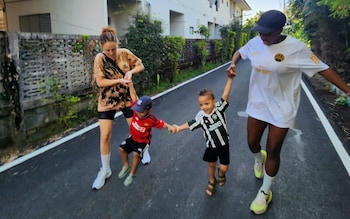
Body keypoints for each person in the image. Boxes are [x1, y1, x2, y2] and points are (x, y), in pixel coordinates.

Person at [226, 10, 350, 214]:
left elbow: (323, 68)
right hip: (257, 105)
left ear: (280, 30)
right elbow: (240, 52)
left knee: (274, 149)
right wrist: (232, 64)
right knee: (252, 143)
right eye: (260, 32)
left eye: (267, 33)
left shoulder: (296, 48)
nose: (262, 36)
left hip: (283, 108)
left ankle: (265, 192)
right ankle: (259, 159)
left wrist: (347, 90)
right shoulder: (257, 42)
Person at [92, 26, 145, 190]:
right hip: (107, 100)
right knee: (105, 136)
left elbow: (140, 65)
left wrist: (130, 73)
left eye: (113, 49)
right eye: (107, 50)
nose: (111, 53)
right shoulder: (99, 59)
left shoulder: (124, 53)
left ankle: (143, 150)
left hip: (127, 97)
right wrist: (119, 80)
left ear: (117, 44)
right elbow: (100, 82)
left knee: (135, 129)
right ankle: (105, 170)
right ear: (102, 48)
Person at [171, 73, 235, 196]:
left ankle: (221, 174)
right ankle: (212, 180)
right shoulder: (201, 118)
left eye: (207, 103)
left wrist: (230, 79)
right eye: (201, 105)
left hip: (224, 145)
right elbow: (190, 124)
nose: (204, 107)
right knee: (211, 164)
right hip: (211, 147)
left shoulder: (219, 109)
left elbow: (226, 94)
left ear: (213, 102)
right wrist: (178, 128)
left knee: (224, 167)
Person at [118, 81, 176, 186]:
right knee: (121, 148)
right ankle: (126, 165)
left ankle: (132, 174)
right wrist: (131, 85)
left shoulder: (150, 120)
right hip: (133, 138)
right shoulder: (136, 109)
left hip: (143, 142)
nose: (139, 113)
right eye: (138, 111)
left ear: (148, 110)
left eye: (142, 111)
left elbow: (161, 123)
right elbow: (134, 96)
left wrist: (169, 126)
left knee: (136, 155)